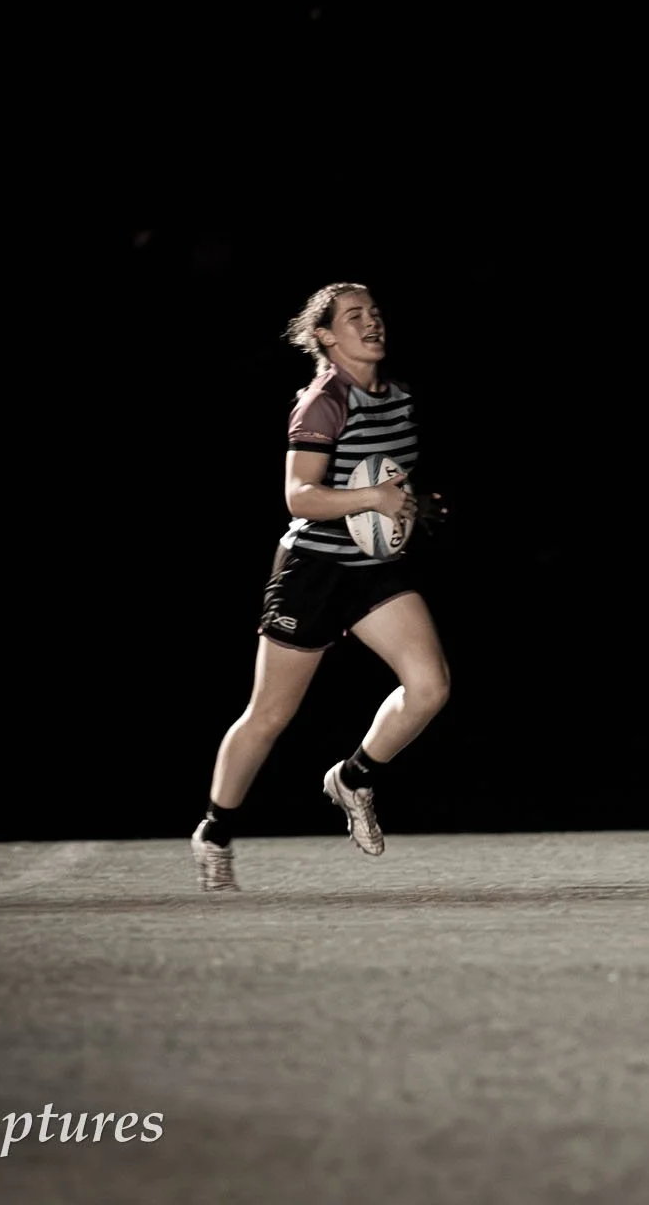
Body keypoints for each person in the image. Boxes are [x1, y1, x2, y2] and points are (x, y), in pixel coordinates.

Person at [190, 281, 451, 891]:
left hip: (372, 570)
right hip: (312, 571)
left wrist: (414, 507)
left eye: (376, 312)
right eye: (354, 316)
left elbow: (390, 486)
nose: (372, 322)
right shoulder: (323, 401)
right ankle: (215, 831)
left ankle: (354, 778)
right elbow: (299, 494)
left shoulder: (400, 397)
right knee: (270, 714)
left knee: (430, 686)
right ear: (327, 337)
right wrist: (376, 498)